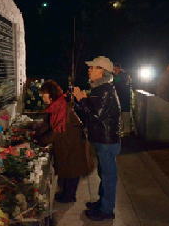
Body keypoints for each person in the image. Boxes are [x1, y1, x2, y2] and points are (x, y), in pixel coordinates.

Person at [73, 56, 121, 221]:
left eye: (93, 67)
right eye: (91, 67)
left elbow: (95, 115)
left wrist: (81, 99)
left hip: (107, 141)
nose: (90, 69)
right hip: (103, 139)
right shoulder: (100, 88)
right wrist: (82, 101)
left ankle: (106, 210)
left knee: (108, 177)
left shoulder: (105, 90)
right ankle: (102, 203)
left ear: (103, 72)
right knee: (104, 174)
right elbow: (89, 112)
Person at [34, 80, 94, 203]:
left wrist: (41, 141)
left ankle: (69, 196)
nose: (42, 96)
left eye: (43, 94)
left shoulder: (60, 108)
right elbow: (49, 125)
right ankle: (66, 193)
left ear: (50, 94)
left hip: (73, 144)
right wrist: (37, 134)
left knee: (72, 171)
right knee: (68, 171)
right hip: (69, 143)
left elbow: (56, 131)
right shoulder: (58, 104)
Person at [113, 63, 132, 136]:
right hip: (122, 98)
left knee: (125, 114)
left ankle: (126, 131)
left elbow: (116, 83)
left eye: (114, 69)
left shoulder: (122, 75)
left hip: (123, 98)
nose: (113, 71)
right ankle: (123, 130)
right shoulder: (123, 75)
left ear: (118, 68)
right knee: (122, 114)